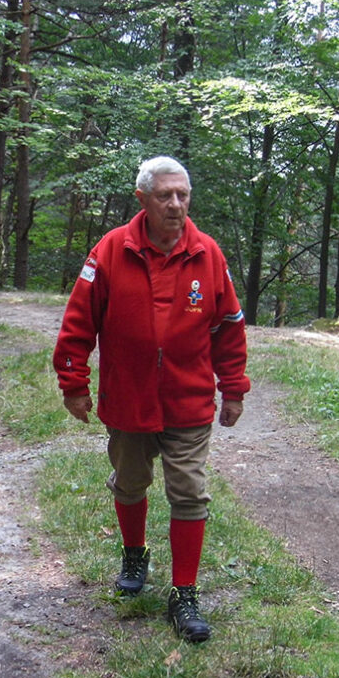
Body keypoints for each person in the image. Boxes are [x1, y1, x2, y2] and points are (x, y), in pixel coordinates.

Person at [52, 156, 250, 643]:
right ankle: (135, 554)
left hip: (188, 400)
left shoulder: (208, 254)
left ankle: (184, 592)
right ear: (142, 199)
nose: (176, 204)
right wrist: (74, 383)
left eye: (183, 194)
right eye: (166, 195)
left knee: (189, 492)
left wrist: (234, 387)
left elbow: (228, 327)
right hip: (129, 399)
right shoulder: (111, 251)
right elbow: (79, 321)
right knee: (131, 483)